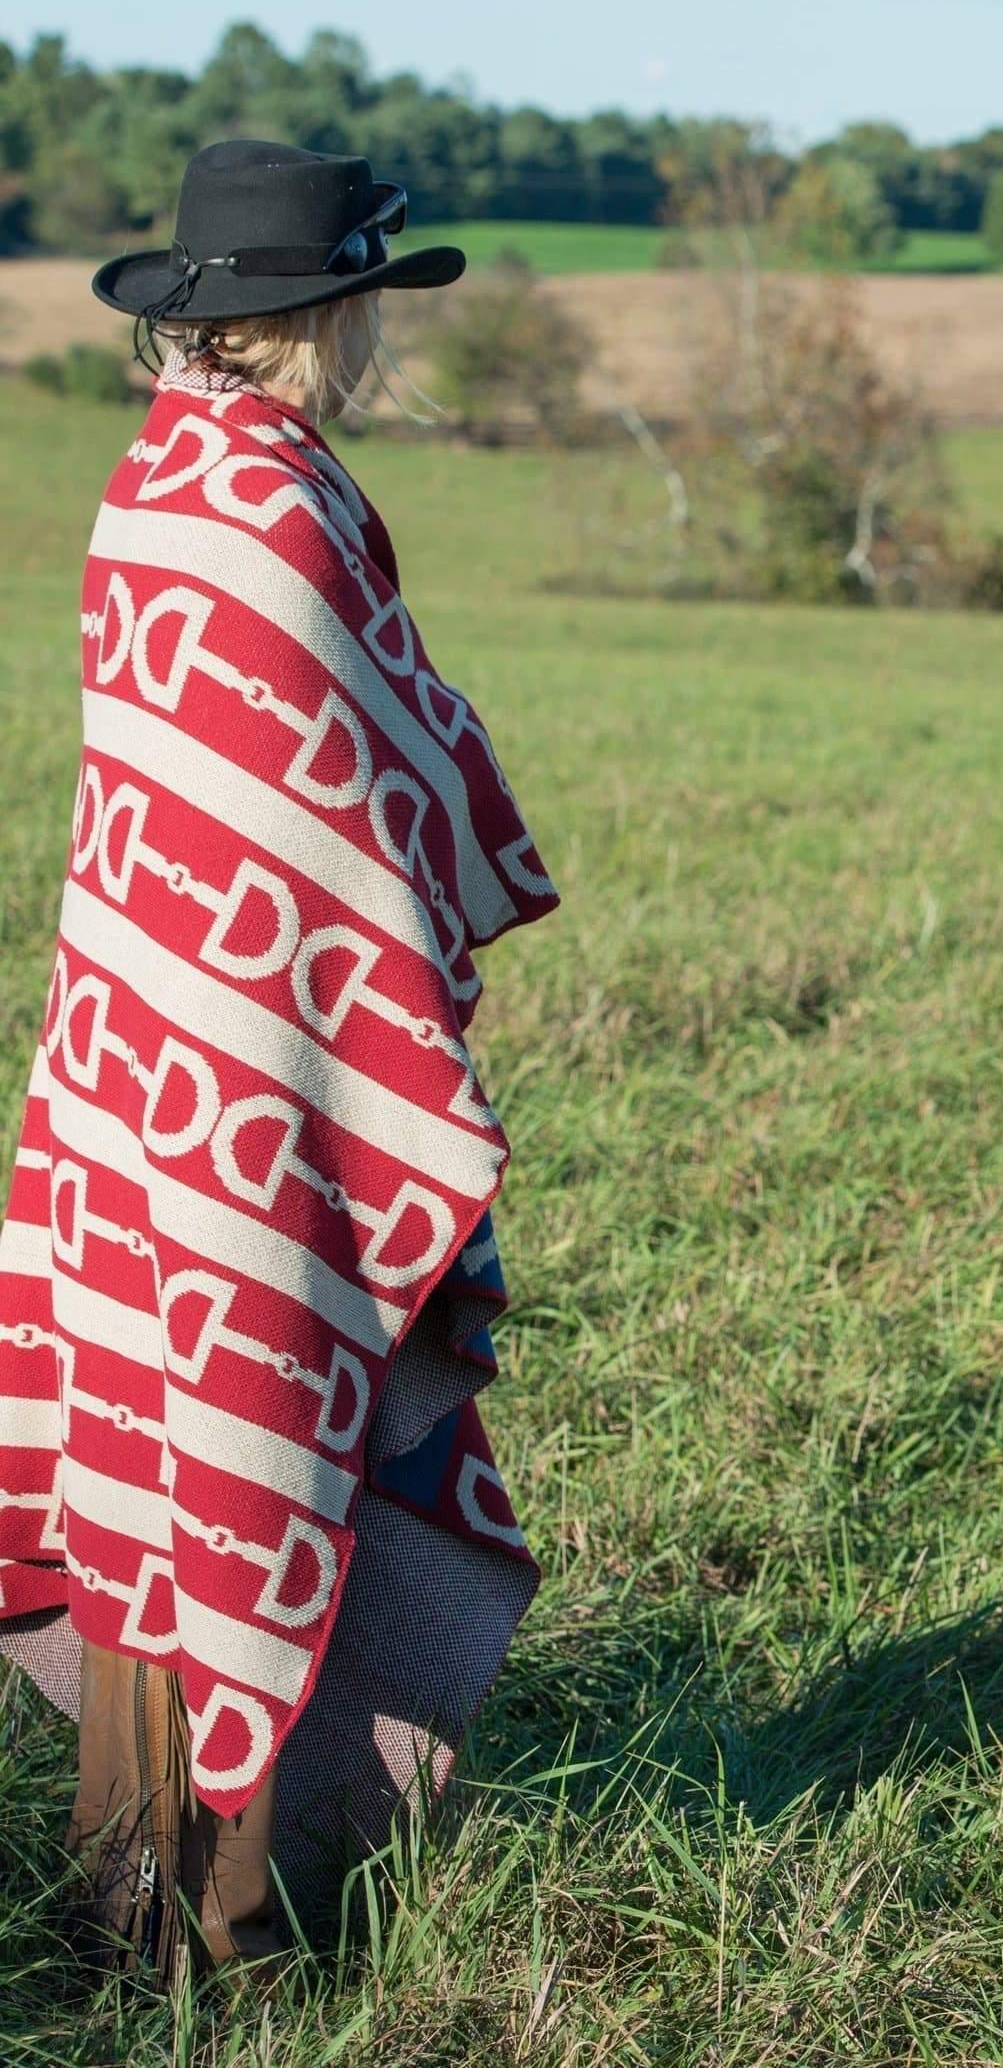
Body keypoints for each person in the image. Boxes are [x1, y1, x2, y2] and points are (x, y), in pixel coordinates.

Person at [0, 141, 561, 1972]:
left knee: (162, 1446)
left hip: (141, 1063)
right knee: (249, 1432)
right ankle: (229, 1929)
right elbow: (375, 789)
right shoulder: (279, 505)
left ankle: (133, 1895)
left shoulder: (159, 476)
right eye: (373, 305)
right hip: (258, 1076)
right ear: (334, 315)